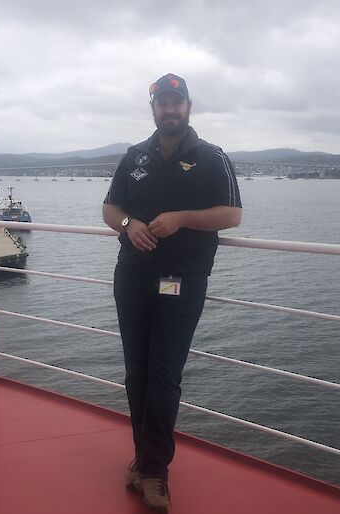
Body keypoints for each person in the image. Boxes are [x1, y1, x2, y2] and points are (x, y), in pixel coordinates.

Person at [102, 72, 242, 513]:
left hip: (182, 280)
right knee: (136, 372)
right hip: (131, 276)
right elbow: (110, 208)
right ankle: (144, 460)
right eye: (163, 103)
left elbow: (232, 215)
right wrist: (129, 225)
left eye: (176, 102)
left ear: (188, 107)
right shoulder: (135, 156)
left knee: (164, 376)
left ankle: (155, 471)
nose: (170, 109)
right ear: (154, 109)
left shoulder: (211, 157)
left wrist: (181, 218)